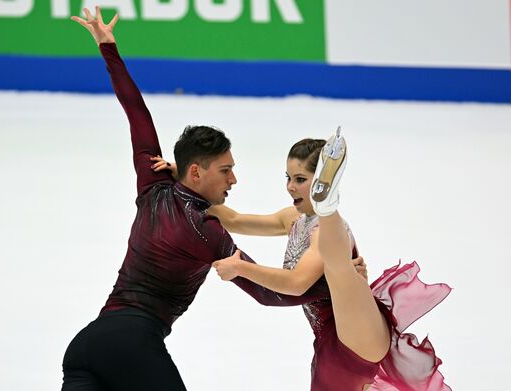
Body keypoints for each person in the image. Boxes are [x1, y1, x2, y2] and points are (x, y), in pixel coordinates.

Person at [62, 8, 363, 390]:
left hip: (87, 347)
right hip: (133, 346)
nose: (234, 179)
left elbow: (136, 113)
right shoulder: (206, 232)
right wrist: (340, 283)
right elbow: (271, 294)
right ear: (196, 172)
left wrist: (109, 49)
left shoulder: (152, 185)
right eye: (225, 170)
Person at [205, 130, 452, 390]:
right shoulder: (293, 219)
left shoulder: (321, 232)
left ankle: (328, 208)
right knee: (337, 267)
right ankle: (327, 209)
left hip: (355, 327)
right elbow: (232, 219)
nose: (290, 186)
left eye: (300, 179)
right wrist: (183, 180)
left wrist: (241, 268)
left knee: (337, 266)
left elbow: (297, 283)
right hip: (334, 339)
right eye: (288, 178)